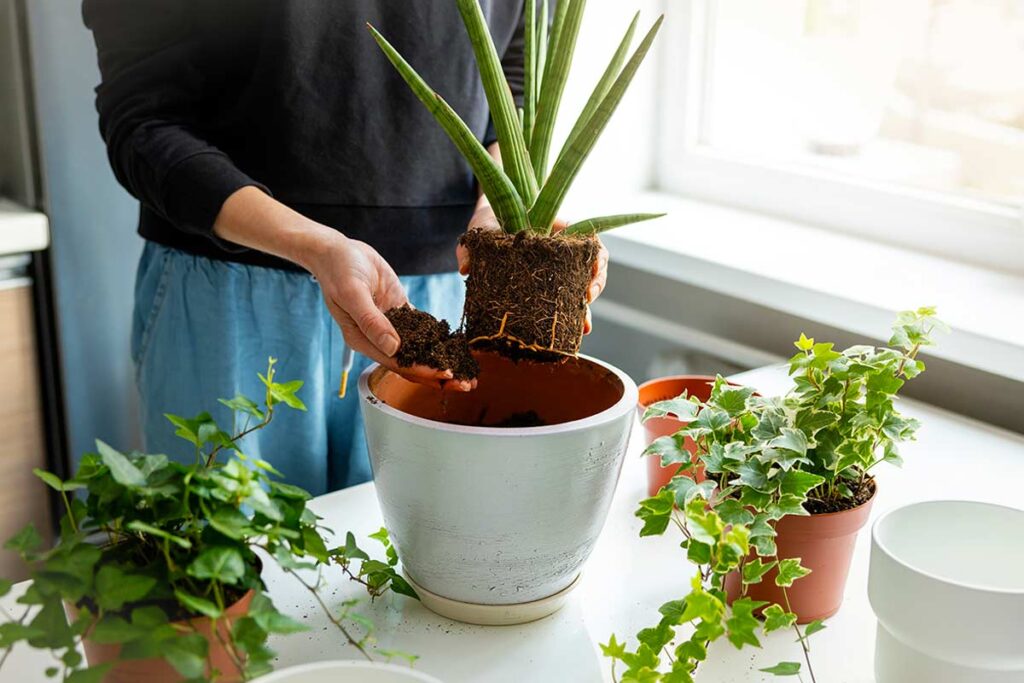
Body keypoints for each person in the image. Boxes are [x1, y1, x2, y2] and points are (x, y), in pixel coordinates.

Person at [83, 0, 608, 495]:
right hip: (229, 295)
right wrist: (315, 245)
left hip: (444, 294)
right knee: (224, 570)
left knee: (420, 571)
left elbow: (513, 83)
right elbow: (143, 116)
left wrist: (499, 214)